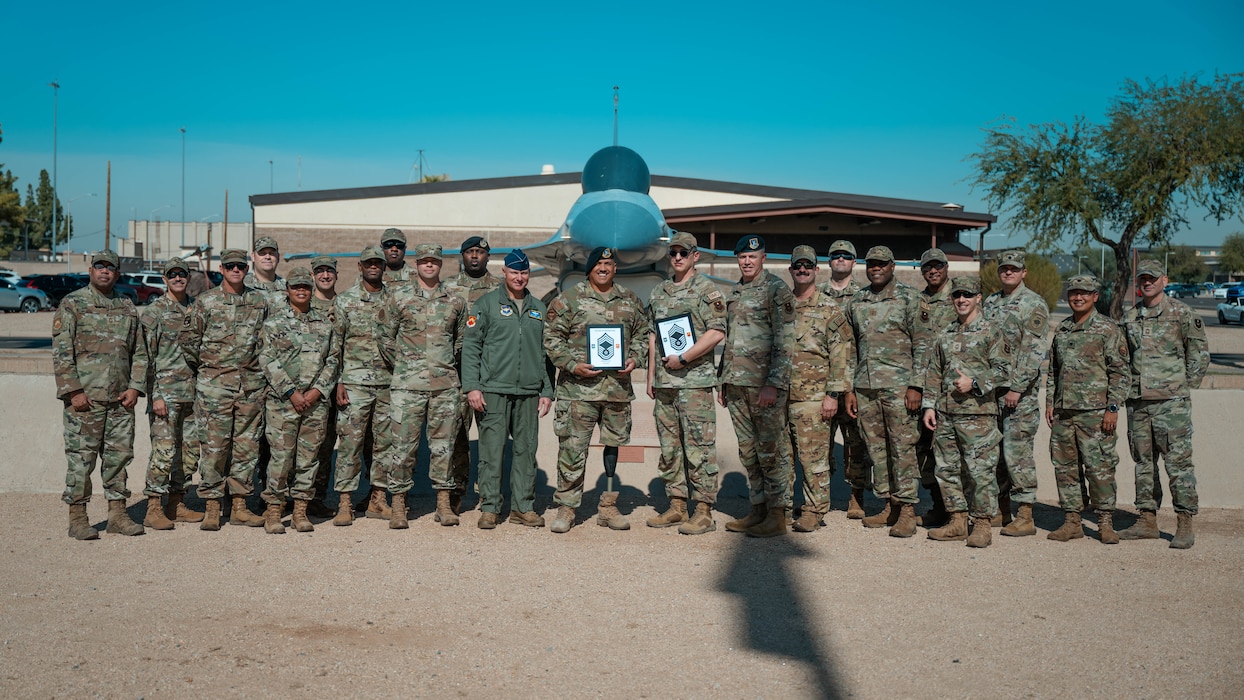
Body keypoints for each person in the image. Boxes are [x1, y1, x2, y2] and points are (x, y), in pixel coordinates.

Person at [544, 247, 648, 533]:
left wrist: (635, 358)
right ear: (589, 268)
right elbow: (552, 337)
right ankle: (566, 508)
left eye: (609, 264)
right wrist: (571, 364)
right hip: (578, 392)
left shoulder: (629, 300)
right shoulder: (569, 299)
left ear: (615, 268)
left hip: (616, 391)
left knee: (614, 449)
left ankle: (608, 505)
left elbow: (642, 332)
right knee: (572, 450)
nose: (604, 268)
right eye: (599, 264)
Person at [53, 250, 148, 539]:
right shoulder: (73, 304)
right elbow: (61, 352)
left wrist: (135, 387)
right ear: (91, 270)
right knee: (82, 460)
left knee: (118, 459)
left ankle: (117, 515)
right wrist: (73, 391)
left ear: (118, 273)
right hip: (86, 401)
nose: (105, 271)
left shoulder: (127, 305)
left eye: (111, 268)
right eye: (100, 266)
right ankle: (78, 518)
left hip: (120, 400)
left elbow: (139, 351)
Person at [1117, 260, 1209, 549]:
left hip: (1172, 404)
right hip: (1138, 403)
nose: (1147, 282)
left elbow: (1199, 353)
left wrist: (1183, 387)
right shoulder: (1130, 317)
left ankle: (1184, 522)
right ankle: (1147, 519)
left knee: (1178, 463)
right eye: (1142, 278)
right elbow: (1122, 358)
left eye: (1152, 278)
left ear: (1164, 280)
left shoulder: (1182, 313)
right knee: (1143, 463)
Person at [461, 249, 553, 529]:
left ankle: (522, 507)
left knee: (526, 451)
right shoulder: (486, 304)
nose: (519, 277)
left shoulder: (539, 308)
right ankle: (490, 507)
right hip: (493, 391)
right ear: (505, 273)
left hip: (528, 391)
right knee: (491, 452)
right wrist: (472, 387)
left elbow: (544, 353)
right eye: (514, 272)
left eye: (524, 272)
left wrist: (547, 391)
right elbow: (471, 347)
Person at [179, 248, 270, 530]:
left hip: (250, 388)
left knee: (246, 449)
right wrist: (210, 370)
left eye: (240, 266)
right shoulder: (205, 303)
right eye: (230, 266)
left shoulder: (259, 301)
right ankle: (212, 506)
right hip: (214, 388)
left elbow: (267, 342)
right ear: (221, 269)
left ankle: (240, 505)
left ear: (246, 268)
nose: (235, 270)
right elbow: (189, 343)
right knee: (214, 449)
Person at [646, 232, 727, 535]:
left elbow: (717, 331)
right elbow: (653, 336)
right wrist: (654, 373)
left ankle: (704, 510)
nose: (677, 257)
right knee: (670, 447)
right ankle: (677, 505)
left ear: (695, 256)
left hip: (694, 383)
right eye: (673, 253)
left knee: (699, 446)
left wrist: (684, 357)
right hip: (666, 384)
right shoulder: (659, 292)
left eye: (684, 252)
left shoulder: (707, 289)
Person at [845, 245, 929, 537]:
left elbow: (923, 344)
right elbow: (852, 346)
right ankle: (889, 503)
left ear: (893, 266)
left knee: (902, 448)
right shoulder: (858, 300)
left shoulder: (910, 298)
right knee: (877, 449)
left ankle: (907, 509)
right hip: (866, 388)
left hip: (899, 388)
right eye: (871, 264)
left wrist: (916, 385)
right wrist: (851, 388)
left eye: (881, 263)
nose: (876, 268)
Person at [921, 277, 1011, 548]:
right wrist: (929, 405)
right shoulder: (945, 333)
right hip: (946, 414)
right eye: (958, 295)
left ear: (978, 298)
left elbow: (1005, 372)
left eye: (968, 295)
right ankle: (957, 521)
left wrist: (974, 383)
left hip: (979, 416)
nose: (961, 300)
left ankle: (982, 524)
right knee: (948, 470)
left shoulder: (991, 332)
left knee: (980, 472)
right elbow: (934, 372)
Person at [384, 244, 468, 529]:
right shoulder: (399, 297)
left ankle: (443, 504)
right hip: (407, 386)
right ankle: (398, 504)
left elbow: (459, 341)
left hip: (444, 386)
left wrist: (442, 365)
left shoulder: (455, 299)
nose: (429, 265)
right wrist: (407, 366)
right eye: (424, 261)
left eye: (434, 261)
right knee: (402, 448)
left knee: (443, 448)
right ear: (416, 264)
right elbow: (384, 338)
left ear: (441, 264)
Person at [719, 235, 796, 538]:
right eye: (742, 257)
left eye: (753, 256)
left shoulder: (776, 290)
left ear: (763, 258)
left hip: (764, 386)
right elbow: (730, 340)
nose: (747, 261)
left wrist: (774, 384)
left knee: (770, 450)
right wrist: (724, 379)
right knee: (748, 451)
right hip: (737, 384)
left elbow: (785, 341)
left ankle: (778, 514)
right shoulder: (736, 290)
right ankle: (758, 509)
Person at [1045, 274, 1130, 543]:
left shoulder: (1108, 329)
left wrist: (1113, 407)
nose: (1077, 297)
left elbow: (1120, 372)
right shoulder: (1063, 329)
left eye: (1084, 293)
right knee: (1065, 467)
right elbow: (1053, 370)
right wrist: (1050, 402)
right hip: (1064, 412)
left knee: (1099, 467)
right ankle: (1072, 521)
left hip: (1096, 413)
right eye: (1073, 293)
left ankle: (1105, 522)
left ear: (1095, 296)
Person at [258, 267, 339, 534]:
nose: (301, 291)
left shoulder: (325, 325)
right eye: (296, 287)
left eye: (305, 286)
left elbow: (333, 361)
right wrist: (291, 392)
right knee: (280, 458)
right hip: (283, 403)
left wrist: (317, 391)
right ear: (288, 290)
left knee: (308, 459)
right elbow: (267, 360)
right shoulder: (273, 324)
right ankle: (274, 511)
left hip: (315, 403)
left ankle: (300, 511)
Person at [785, 245, 852, 532]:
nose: (802, 270)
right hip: (780, 396)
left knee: (813, 459)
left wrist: (832, 394)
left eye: (807, 266)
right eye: (797, 265)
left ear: (816, 270)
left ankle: (814, 509)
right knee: (782, 460)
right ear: (790, 269)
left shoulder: (829, 308)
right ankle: (783, 507)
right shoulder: (781, 305)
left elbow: (841, 353)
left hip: (813, 397)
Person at [982, 249, 1049, 536]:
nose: (1008, 272)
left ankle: (1025, 513)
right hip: (991, 391)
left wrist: (1017, 388)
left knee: (1017, 452)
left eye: (1014, 268)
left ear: (1024, 272)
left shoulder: (1034, 304)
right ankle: (1000, 508)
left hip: (1018, 395)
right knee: (995, 453)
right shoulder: (991, 302)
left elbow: (1033, 351)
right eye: (1004, 268)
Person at [330, 246, 398, 525]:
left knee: (384, 445)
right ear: (360, 266)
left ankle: (377, 499)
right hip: (354, 383)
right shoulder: (345, 301)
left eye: (378, 263)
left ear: (384, 267)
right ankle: (344, 501)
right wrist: (337, 382)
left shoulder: (395, 299)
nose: (374, 267)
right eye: (369, 263)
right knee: (350, 444)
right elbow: (335, 345)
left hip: (387, 383)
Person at [138, 257, 204, 530]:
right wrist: (155, 395)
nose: (178, 278)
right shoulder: (154, 312)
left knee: (188, 453)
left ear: (188, 278)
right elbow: (145, 357)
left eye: (182, 274)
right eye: (172, 274)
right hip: (165, 394)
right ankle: (153, 507)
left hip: (193, 395)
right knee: (164, 452)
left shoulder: (196, 309)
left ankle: (176, 503)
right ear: (164, 279)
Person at [445, 235, 501, 514]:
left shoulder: (499, 289)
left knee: (490, 436)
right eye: (470, 252)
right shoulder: (448, 288)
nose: (475, 256)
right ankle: (456, 491)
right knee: (457, 436)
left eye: (480, 251)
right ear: (462, 256)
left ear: (488, 257)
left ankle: (488, 492)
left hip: (489, 373)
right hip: (455, 374)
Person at [819, 239, 871, 518]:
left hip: (853, 383)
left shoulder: (863, 297)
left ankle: (856, 496)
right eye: (835, 255)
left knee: (855, 444)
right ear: (829, 262)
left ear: (854, 262)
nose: (841, 259)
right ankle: (820, 496)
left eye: (846, 256)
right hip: (822, 383)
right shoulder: (816, 295)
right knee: (820, 443)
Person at [914, 248, 957, 528]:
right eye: (927, 267)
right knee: (923, 450)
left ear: (946, 267)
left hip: (952, 389)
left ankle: (959, 512)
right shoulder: (918, 301)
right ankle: (939, 505)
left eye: (937, 265)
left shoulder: (959, 297)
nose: (933, 270)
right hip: (922, 386)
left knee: (951, 452)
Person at [307, 255, 339, 518]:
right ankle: (291, 496)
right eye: (320, 271)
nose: (325, 276)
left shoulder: (345, 304)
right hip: (308, 387)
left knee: (326, 445)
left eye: (329, 271)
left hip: (339, 385)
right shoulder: (302, 302)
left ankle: (317, 496)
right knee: (302, 446)